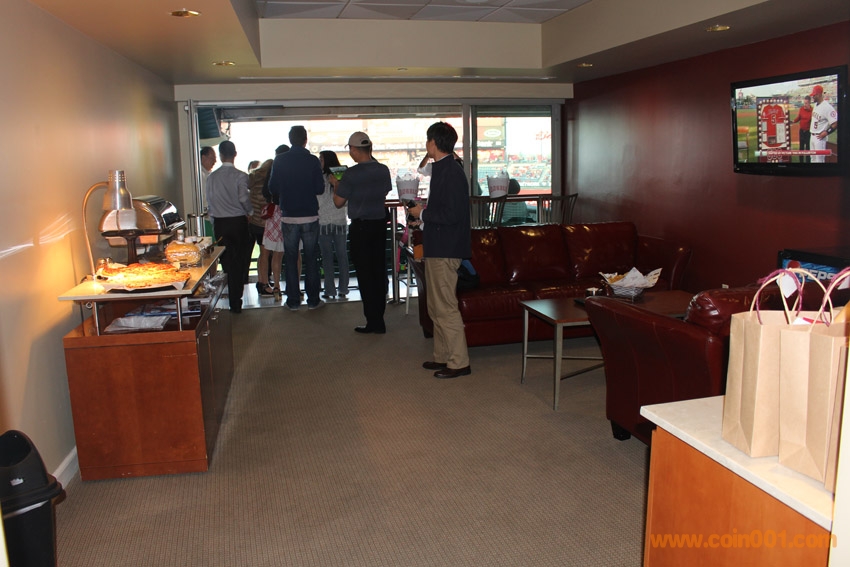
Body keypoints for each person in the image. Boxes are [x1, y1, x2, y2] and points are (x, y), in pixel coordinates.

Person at [407, 122, 472, 378]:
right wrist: (422, 221)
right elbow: (444, 212)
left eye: (428, 141)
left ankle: (459, 362)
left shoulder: (451, 172)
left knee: (445, 307)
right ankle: (443, 356)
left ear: (433, 143)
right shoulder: (443, 169)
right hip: (439, 245)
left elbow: (452, 215)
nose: (427, 145)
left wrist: (421, 213)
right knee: (435, 307)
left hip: (446, 249)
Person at [330, 132, 392, 334]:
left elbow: (338, 202)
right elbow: (384, 192)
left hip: (361, 227)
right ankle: (379, 318)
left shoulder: (351, 174)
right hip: (379, 225)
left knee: (365, 275)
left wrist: (336, 184)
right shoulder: (382, 170)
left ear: (354, 149)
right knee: (378, 271)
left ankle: (373, 320)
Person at [268, 126, 325, 311]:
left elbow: (272, 188)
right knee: (311, 258)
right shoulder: (312, 160)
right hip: (310, 215)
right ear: (305, 140)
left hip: (289, 216)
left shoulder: (280, 160)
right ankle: (313, 300)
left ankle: (293, 301)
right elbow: (320, 188)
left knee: (291, 259)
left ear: (290, 140)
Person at [205, 140, 252, 313]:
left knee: (227, 262)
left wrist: (214, 221)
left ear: (221, 155)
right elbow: (243, 198)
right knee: (239, 260)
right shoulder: (241, 176)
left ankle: (230, 295)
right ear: (235, 154)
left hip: (220, 224)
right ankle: (236, 299)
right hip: (238, 222)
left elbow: (210, 202)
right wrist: (250, 211)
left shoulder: (212, 177)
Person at [318, 150, 350, 300]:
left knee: (327, 257)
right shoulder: (342, 176)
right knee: (342, 255)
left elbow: (317, 199)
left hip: (323, 221)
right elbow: (347, 201)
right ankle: (343, 288)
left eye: (321, 159)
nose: (319, 162)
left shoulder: (319, 178)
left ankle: (329, 290)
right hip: (340, 221)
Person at [248, 158, 275, 295]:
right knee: (265, 254)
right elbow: (264, 203)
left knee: (263, 253)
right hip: (264, 223)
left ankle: (262, 281)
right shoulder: (263, 184)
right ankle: (264, 283)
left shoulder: (254, 181)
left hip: (255, 223)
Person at [809, 85, 838, 164]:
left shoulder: (827, 107)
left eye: (814, 95)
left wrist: (826, 132)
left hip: (819, 138)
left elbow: (835, 123)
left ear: (819, 95)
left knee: (819, 161)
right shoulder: (816, 105)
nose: (812, 96)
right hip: (812, 136)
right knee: (813, 159)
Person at [792, 95, 813, 161]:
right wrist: (793, 121)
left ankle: (807, 162)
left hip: (808, 132)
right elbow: (799, 117)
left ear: (809, 103)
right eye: (804, 103)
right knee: (801, 148)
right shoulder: (801, 109)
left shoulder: (813, 111)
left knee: (808, 148)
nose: (804, 105)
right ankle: (801, 161)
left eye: (806, 103)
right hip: (801, 131)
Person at [200, 146, 217, 211]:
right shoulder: (199, 176)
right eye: (212, 158)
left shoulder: (210, 175)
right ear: (203, 158)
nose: (215, 161)